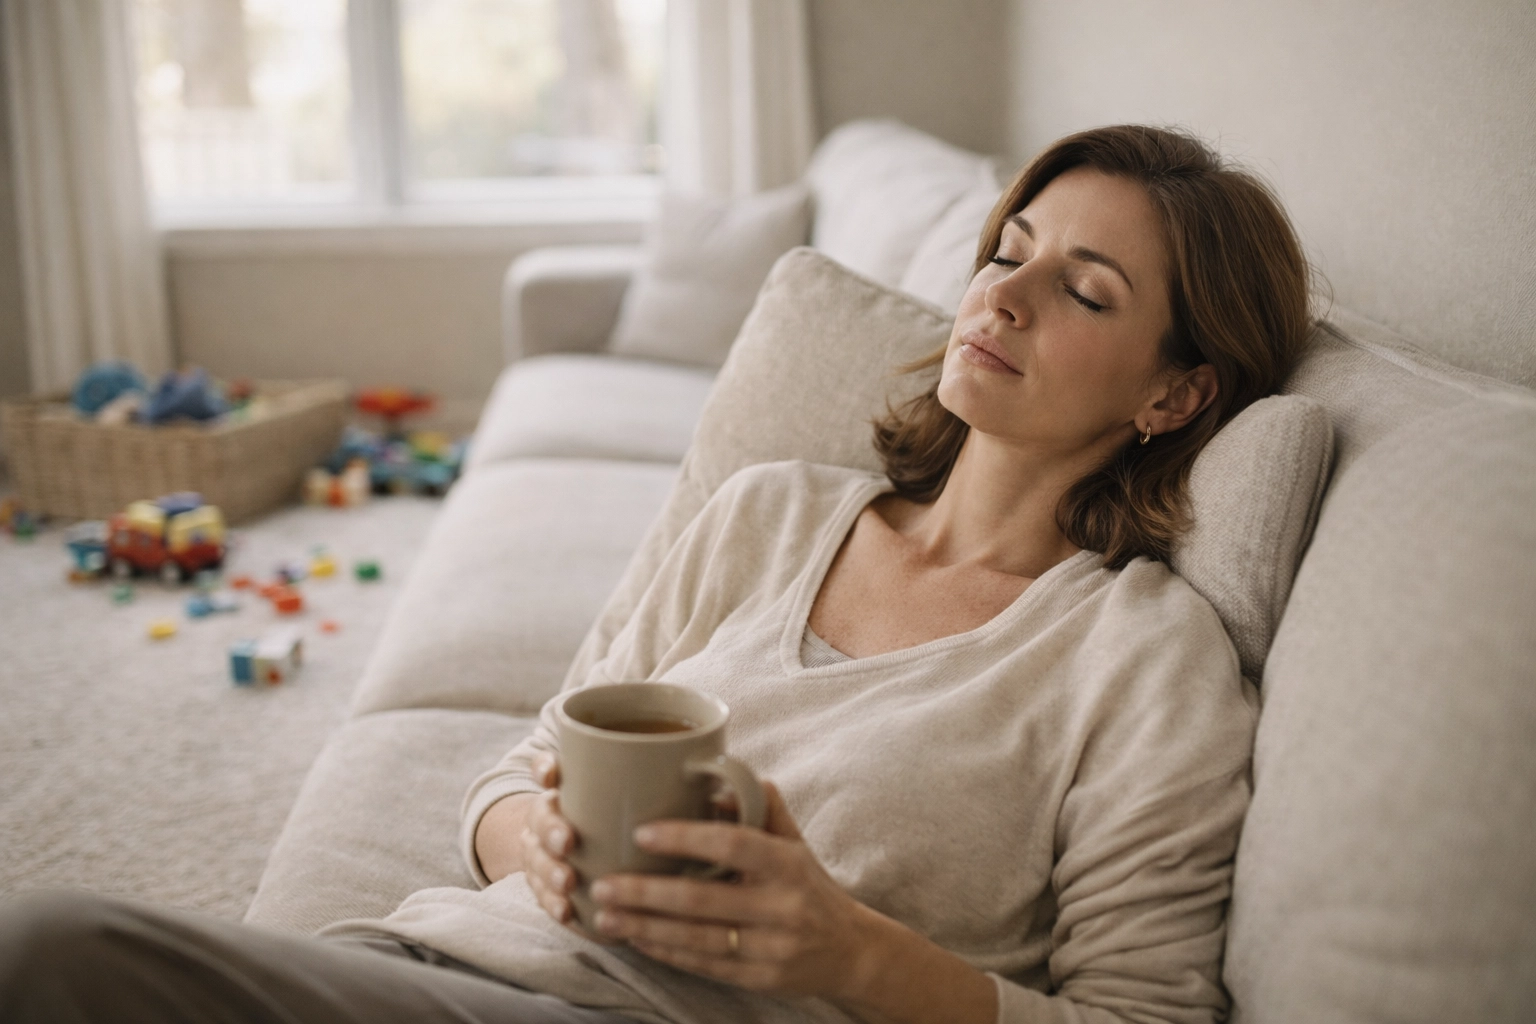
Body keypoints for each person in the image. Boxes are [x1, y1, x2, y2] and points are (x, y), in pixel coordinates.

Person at [0, 124, 1310, 1024]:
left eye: (1083, 291)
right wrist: (543, 851)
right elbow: (519, 771)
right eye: (1010, 247)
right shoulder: (771, 515)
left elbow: (1139, 1012)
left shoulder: (1147, 659)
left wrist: (849, 952)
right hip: (449, 961)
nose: (1004, 298)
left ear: (1177, 392)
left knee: (46, 953)